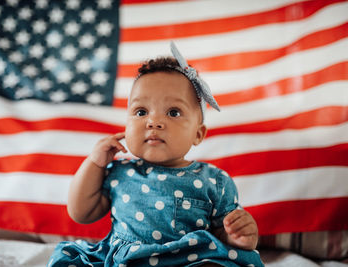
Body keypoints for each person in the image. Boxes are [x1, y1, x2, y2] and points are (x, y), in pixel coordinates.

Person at [48, 43, 264, 267]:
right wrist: (94, 163)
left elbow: (222, 233)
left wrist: (237, 236)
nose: (154, 122)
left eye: (173, 112)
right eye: (141, 112)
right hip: (128, 260)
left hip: (189, 260)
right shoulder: (119, 173)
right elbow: (80, 213)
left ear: (198, 134)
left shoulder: (213, 180)